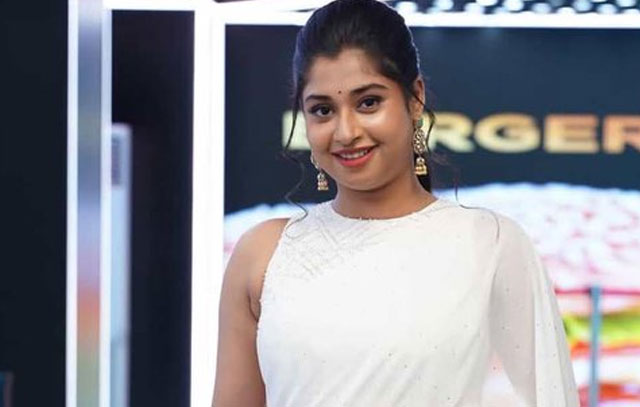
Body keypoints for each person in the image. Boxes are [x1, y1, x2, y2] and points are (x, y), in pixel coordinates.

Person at [212, 0, 579, 406]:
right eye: (322, 110)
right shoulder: (263, 254)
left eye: (368, 102)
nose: (346, 131)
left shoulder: (491, 244)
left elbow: (546, 395)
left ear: (415, 98)